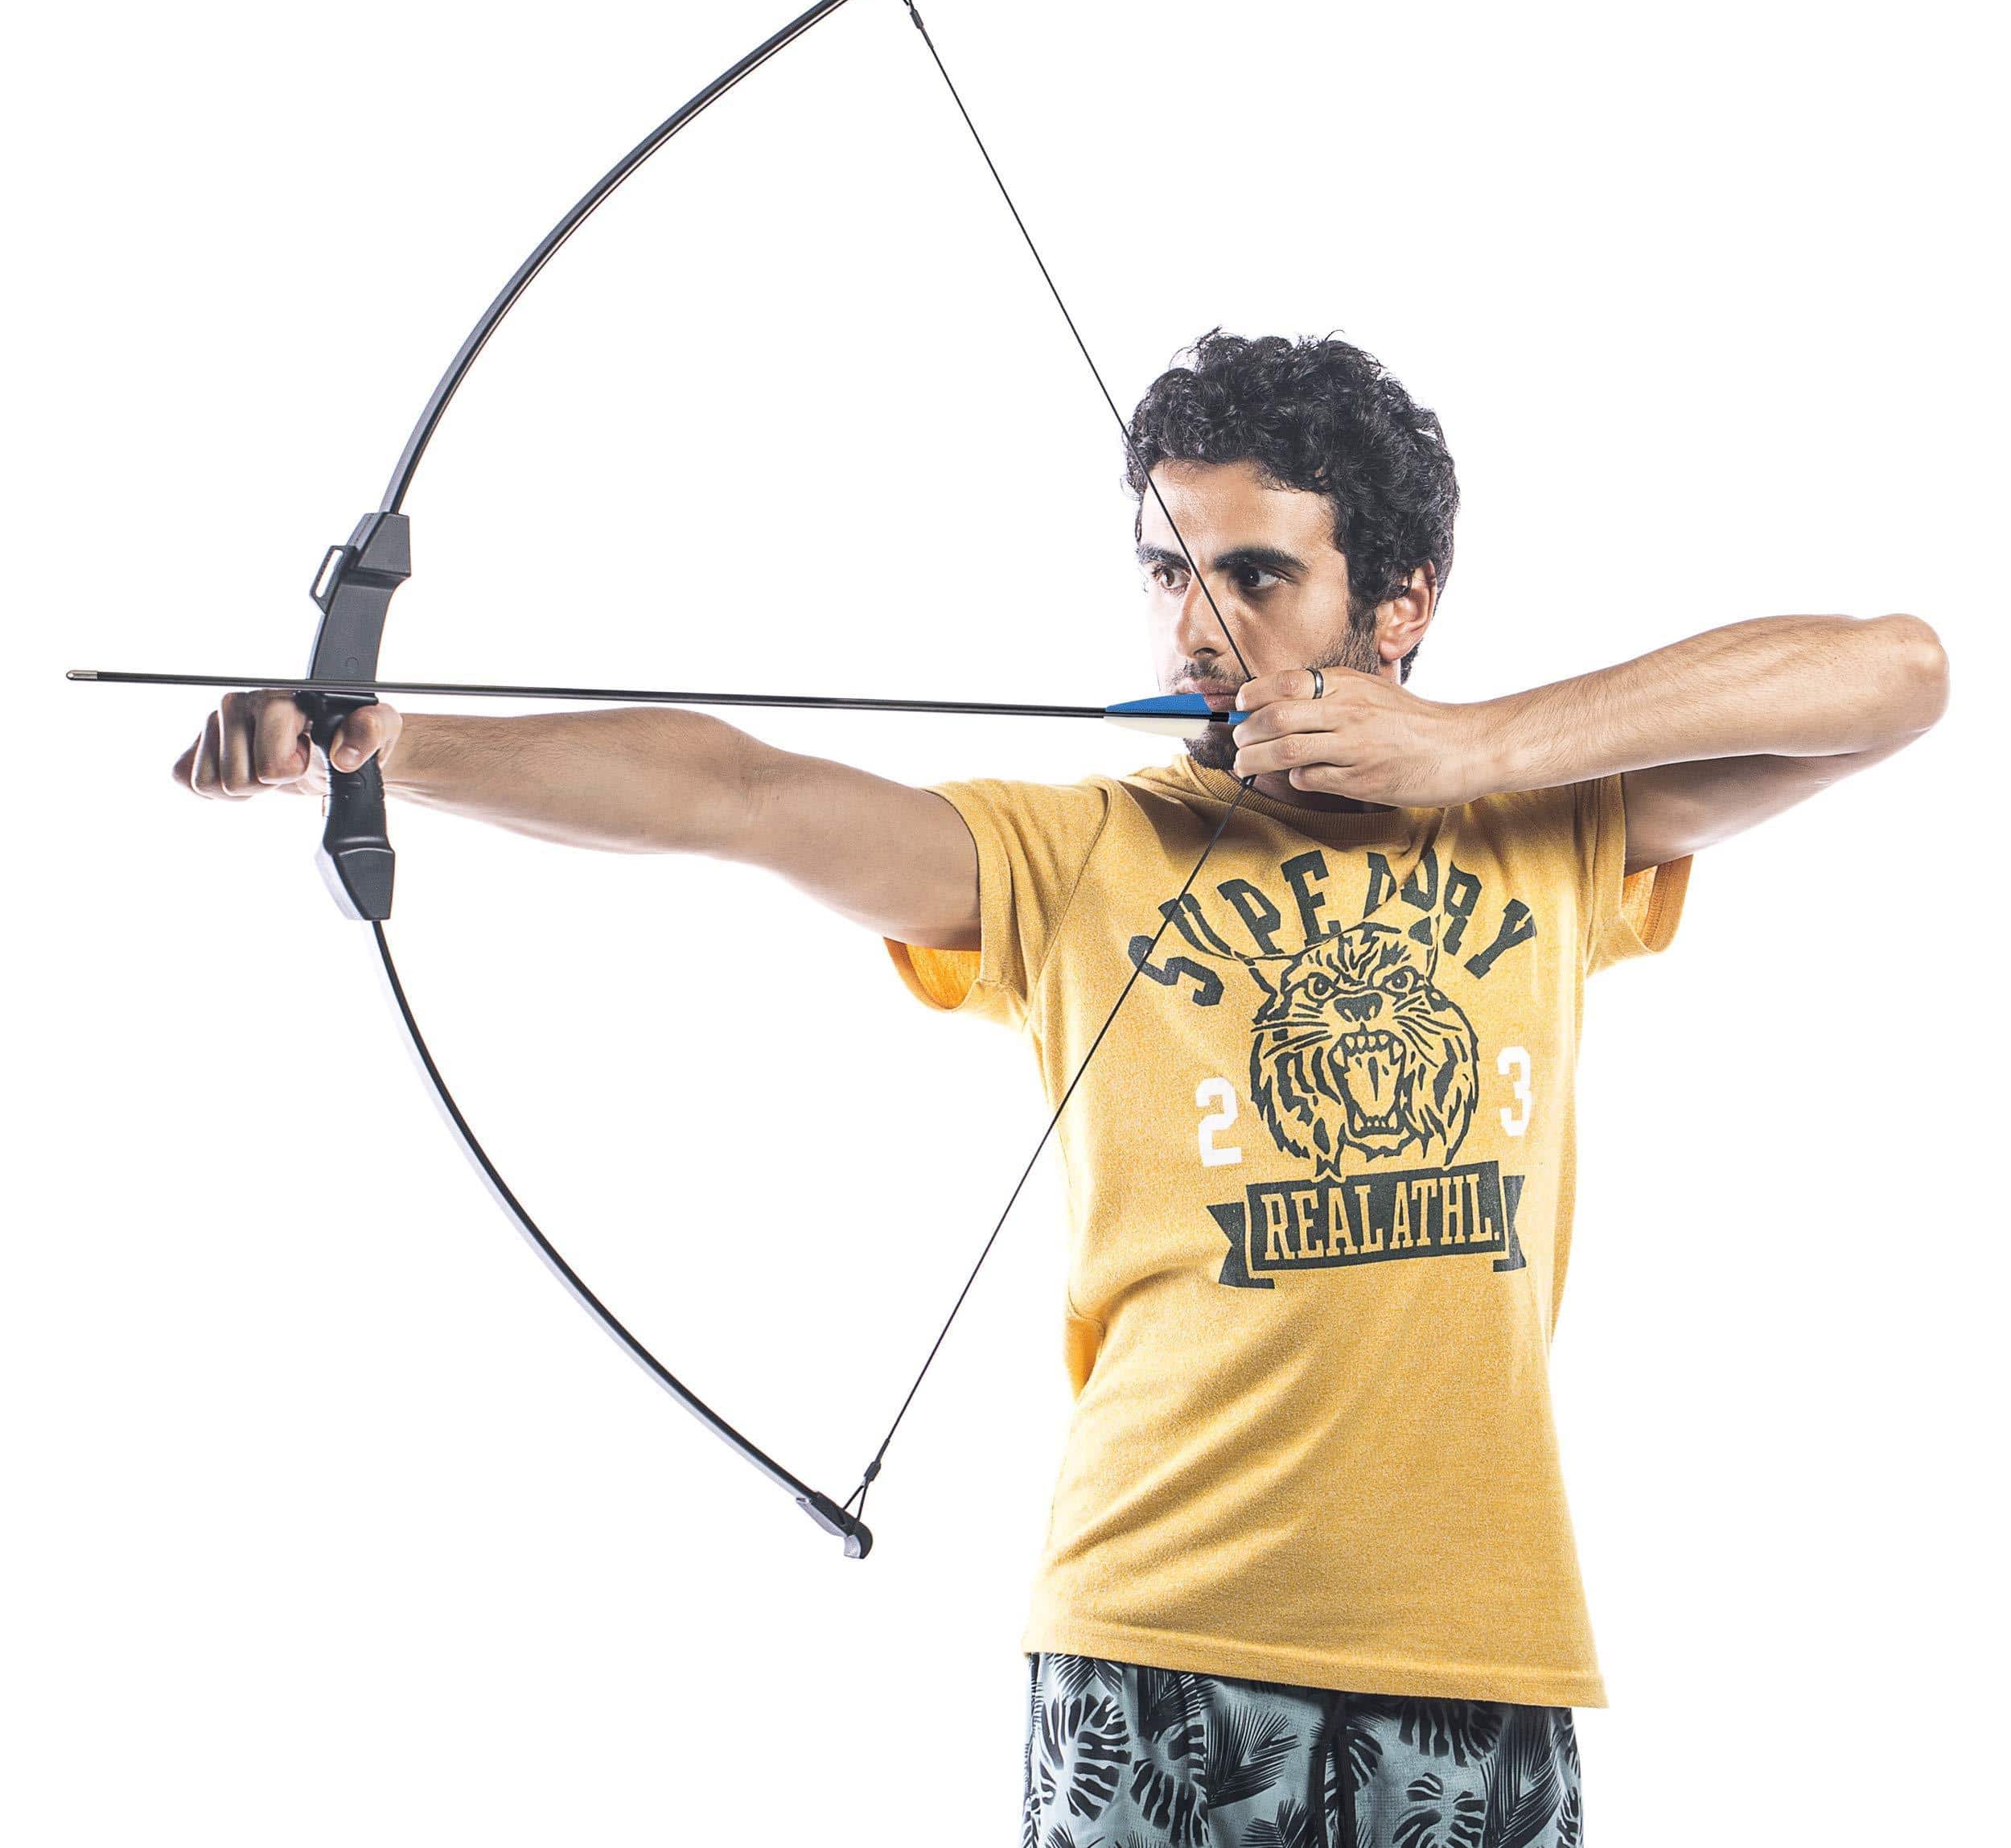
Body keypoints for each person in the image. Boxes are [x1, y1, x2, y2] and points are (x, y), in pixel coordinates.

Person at [173, 329, 1948, 1846]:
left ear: (1402, 601)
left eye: (1254, 575)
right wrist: (391, 746)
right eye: (1166, 570)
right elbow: (739, 791)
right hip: (1156, 1642)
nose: (1198, 627)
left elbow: (1896, 673)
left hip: (1480, 1654)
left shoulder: (1545, 827)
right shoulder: (1085, 849)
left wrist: (1473, 745)